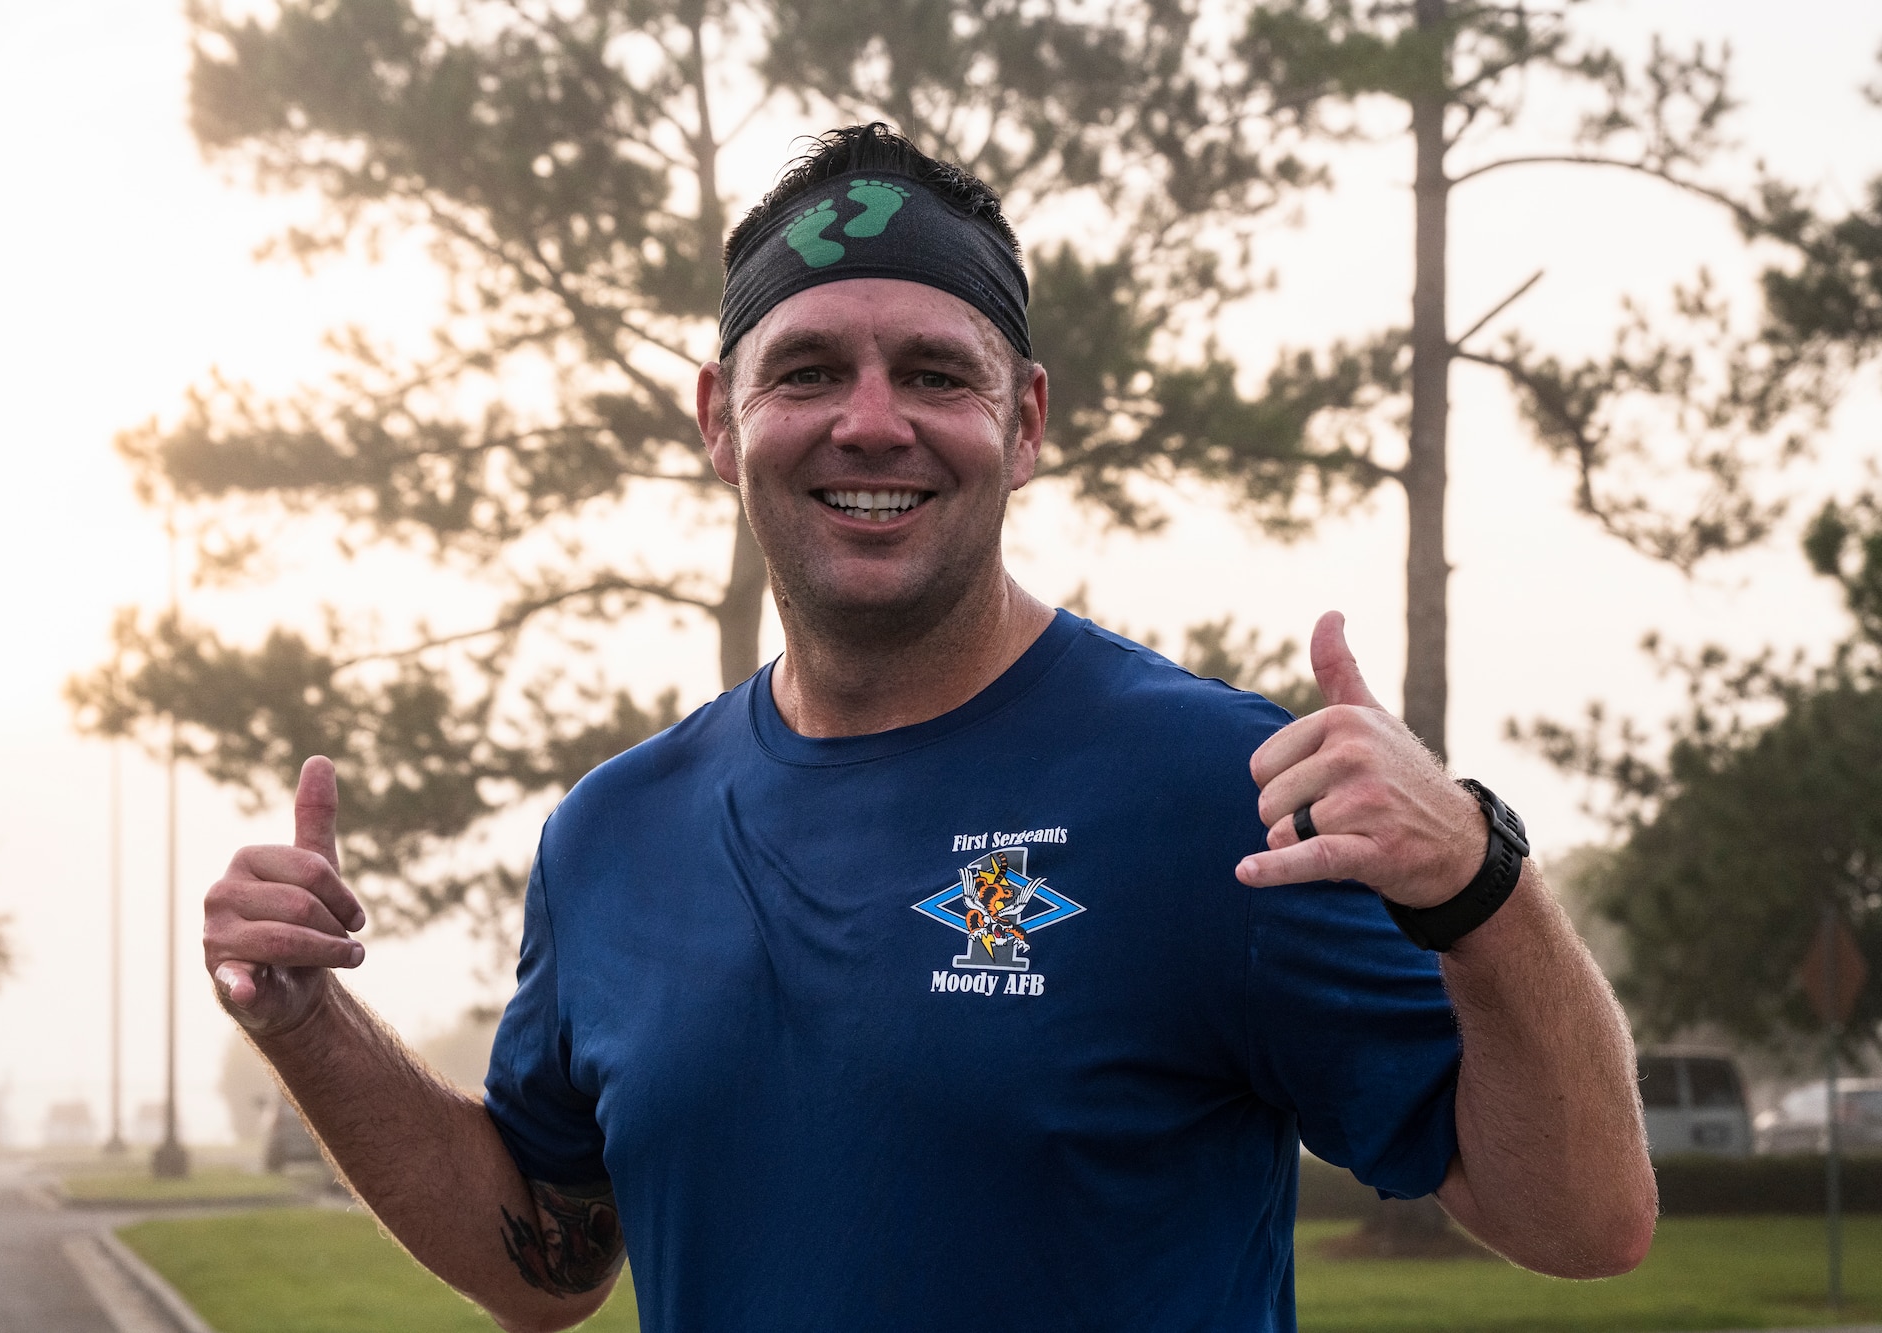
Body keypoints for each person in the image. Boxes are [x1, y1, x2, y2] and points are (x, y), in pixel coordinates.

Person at [204, 124, 1656, 1333]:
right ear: (721, 416)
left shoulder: (1214, 787)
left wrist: (1481, 878)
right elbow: (551, 1258)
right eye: (811, 369)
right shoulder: (611, 836)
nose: (874, 421)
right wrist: (308, 1023)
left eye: (936, 371)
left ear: (1025, 422)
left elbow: (1587, 1218)